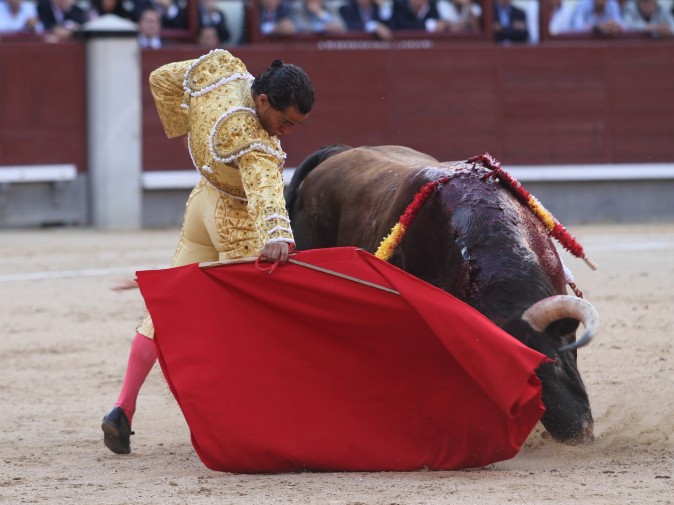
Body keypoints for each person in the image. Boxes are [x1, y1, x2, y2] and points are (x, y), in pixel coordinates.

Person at [101, 49, 315, 455]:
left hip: (201, 204)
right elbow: (267, 191)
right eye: (285, 121)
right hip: (235, 220)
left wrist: (186, 127)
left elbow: (162, 79)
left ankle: (122, 407)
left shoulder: (219, 72)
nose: (287, 130)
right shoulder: (255, 142)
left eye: (295, 124)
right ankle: (256, 423)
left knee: (166, 309)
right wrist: (278, 234)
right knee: (261, 318)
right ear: (263, 102)